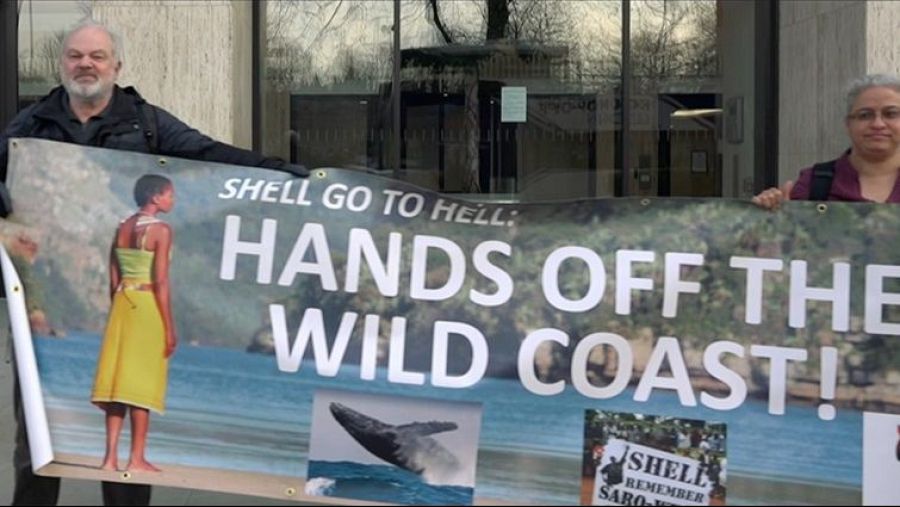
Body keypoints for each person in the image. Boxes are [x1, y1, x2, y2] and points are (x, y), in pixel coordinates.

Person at [0, 17, 307, 506]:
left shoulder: (146, 122)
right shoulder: (28, 126)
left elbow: (208, 155)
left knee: (128, 408)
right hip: (51, 301)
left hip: (125, 303)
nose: (86, 64)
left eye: (96, 56)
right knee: (37, 432)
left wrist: (276, 172)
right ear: (61, 65)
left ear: (116, 65)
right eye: (76, 56)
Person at [91, 174, 176, 474]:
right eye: (169, 195)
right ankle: (136, 458)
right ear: (155, 197)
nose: (172, 200)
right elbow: (162, 281)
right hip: (146, 305)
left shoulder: (122, 227)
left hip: (121, 304)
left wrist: (117, 308)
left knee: (118, 385)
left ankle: (109, 458)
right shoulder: (161, 231)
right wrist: (169, 327)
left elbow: (113, 275)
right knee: (140, 384)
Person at [753, 74, 900, 208]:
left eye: (891, 114)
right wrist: (769, 215)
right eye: (865, 115)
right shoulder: (814, 184)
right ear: (848, 124)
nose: (878, 124)